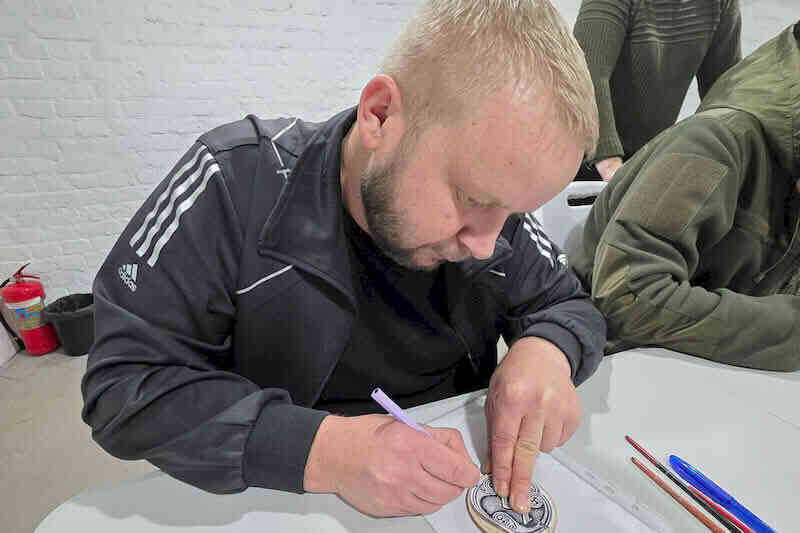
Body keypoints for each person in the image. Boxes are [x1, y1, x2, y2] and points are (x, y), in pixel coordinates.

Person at [82, 0, 606, 519]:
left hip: (452, 483)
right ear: (379, 114)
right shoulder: (233, 183)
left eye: (513, 211)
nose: (487, 243)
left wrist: (548, 349)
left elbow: (569, 305)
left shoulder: (496, 213)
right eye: (470, 199)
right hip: (288, 496)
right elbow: (123, 385)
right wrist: (325, 452)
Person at [572, 22, 800, 371]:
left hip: (715, 371)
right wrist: (788, 330)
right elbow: (628, 295)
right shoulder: (715, 144)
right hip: (620, 369)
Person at [573, 0, 742, 180]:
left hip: (646, 156)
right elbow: (586, 74)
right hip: (583, 153)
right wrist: (610, 165)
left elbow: (725, 92)